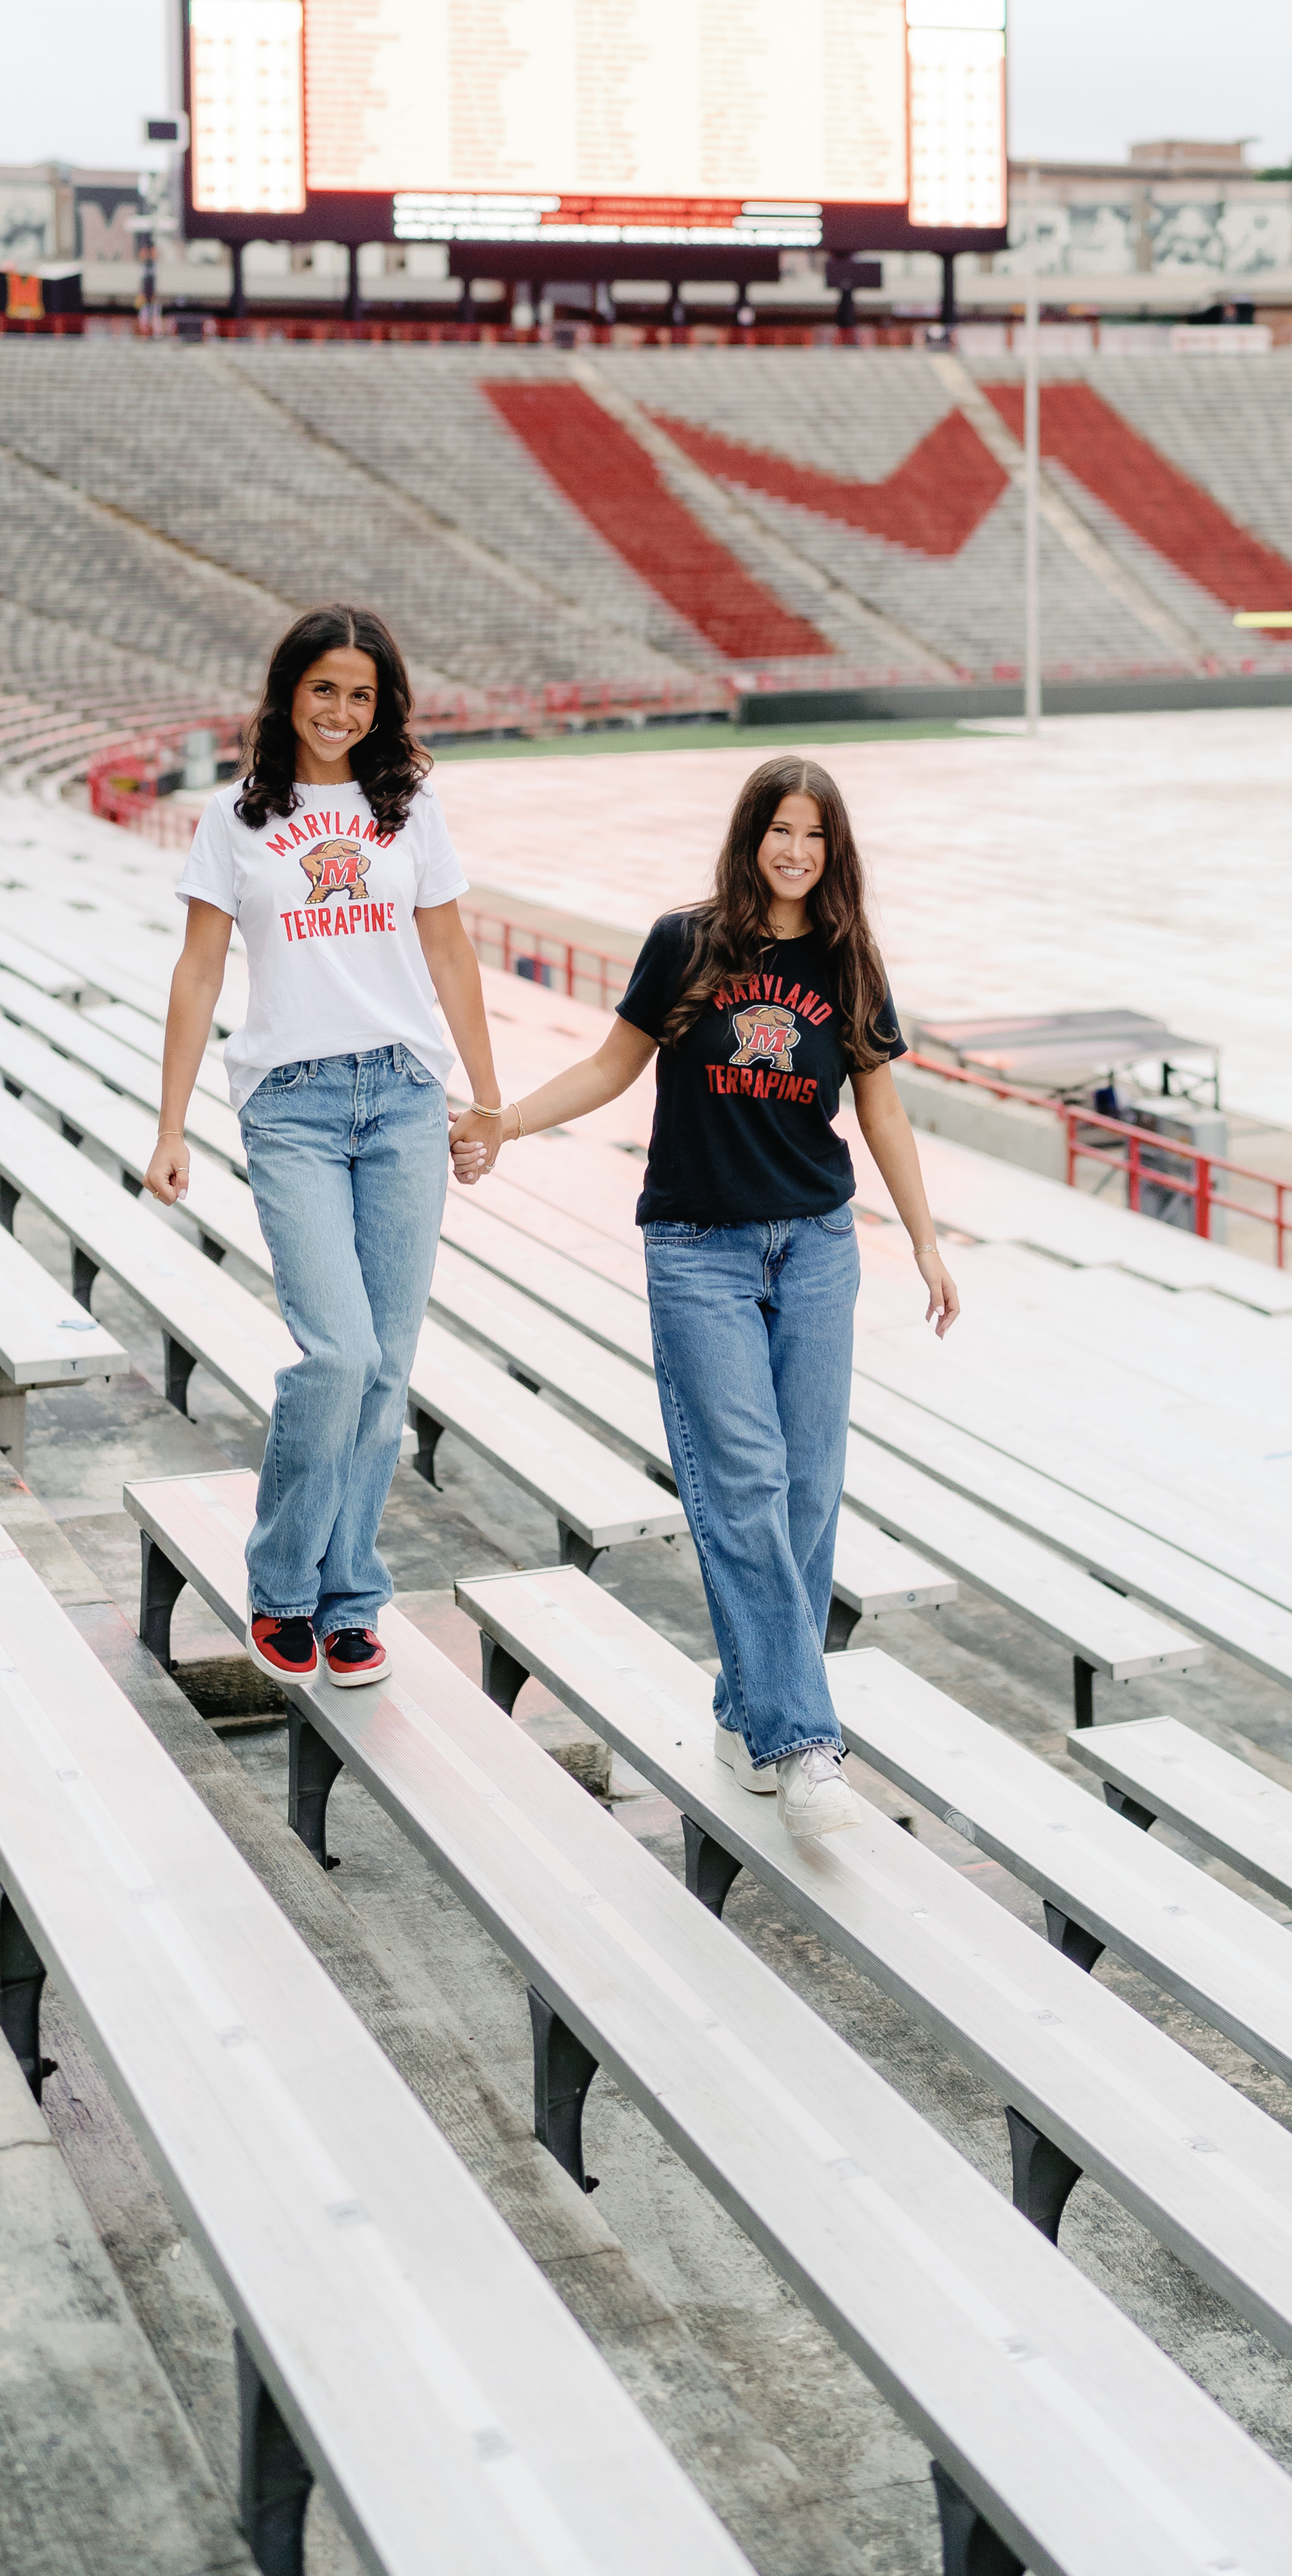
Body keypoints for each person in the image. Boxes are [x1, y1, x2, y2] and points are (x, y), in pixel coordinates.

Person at [450, 751, 955, 1843]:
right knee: (745, 1486)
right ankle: (803, 1743)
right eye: (780, 828)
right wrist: (508, 1122)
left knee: (810, 1490)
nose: (796, 850)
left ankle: (748, 1711)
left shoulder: (848, 962)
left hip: (818, 1243)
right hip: (698, 1246)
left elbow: (884, 1114)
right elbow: (609, 1066)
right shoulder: (687, 944)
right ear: (749, 834)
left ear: (836, 851)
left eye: (816, 835)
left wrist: (925, 1240)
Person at [146, 606, 501, 1689]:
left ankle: (352, 1595)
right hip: (291, 1106)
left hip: (401, 1098)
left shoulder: (412, 811)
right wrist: (170, 1126)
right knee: (336, 1354)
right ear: (288, 694)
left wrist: (488, 1099)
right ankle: (282, 1582)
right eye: (324, 689)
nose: (342, 712)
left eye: (362, 693)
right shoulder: (237, 819)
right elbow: (201, 970)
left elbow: (448, 950)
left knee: (387, 1369)